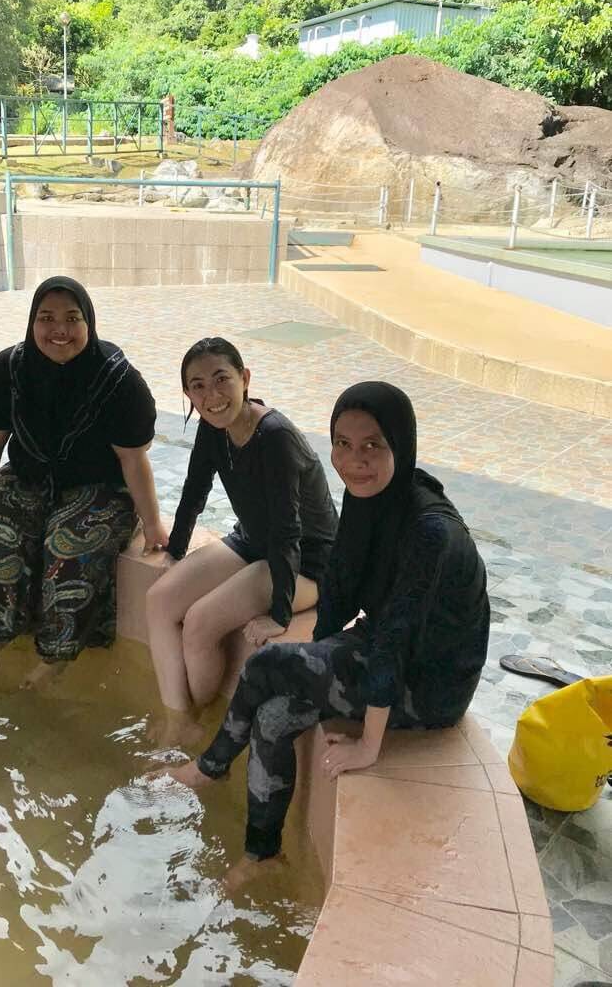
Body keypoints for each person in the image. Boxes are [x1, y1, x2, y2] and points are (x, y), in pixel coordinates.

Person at [156, 381, 490, 888]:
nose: (354, 460)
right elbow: (338, 592)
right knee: (272, 716)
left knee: (266, 665)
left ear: (401, 444)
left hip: (429, 683)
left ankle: (210, 766)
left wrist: (367, 745)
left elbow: (397, 636)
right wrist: (317, 679)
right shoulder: (369, 495)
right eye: (342, 443)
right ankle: (262, 854)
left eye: (373, 445)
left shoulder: (430, 531)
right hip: (380, 647)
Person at [0, 276, 167, 687]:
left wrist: (153, 524)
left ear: (89, 323)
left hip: (101, 487)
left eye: (72, 318)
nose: (59, 330)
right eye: (46, 318)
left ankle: (56, 655)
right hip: (29, 479)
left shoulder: (117, 378)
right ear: (32, 323)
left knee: (68, 543)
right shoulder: (10, 370)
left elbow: (133, 461)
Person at [145, 337, 338, 744]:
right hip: (253, 544)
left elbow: (289, 531)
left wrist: (280, 615)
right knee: (159, 600)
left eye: (221, 380)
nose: (212, 395)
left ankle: (193, 722)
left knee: (199, 622)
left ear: (244, 378)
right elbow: (194, 489)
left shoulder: (275, 436)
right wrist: (176, 551)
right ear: (187, 395)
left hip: (307, 564)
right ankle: (179, 717)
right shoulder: (212, 427)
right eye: (198, 386)